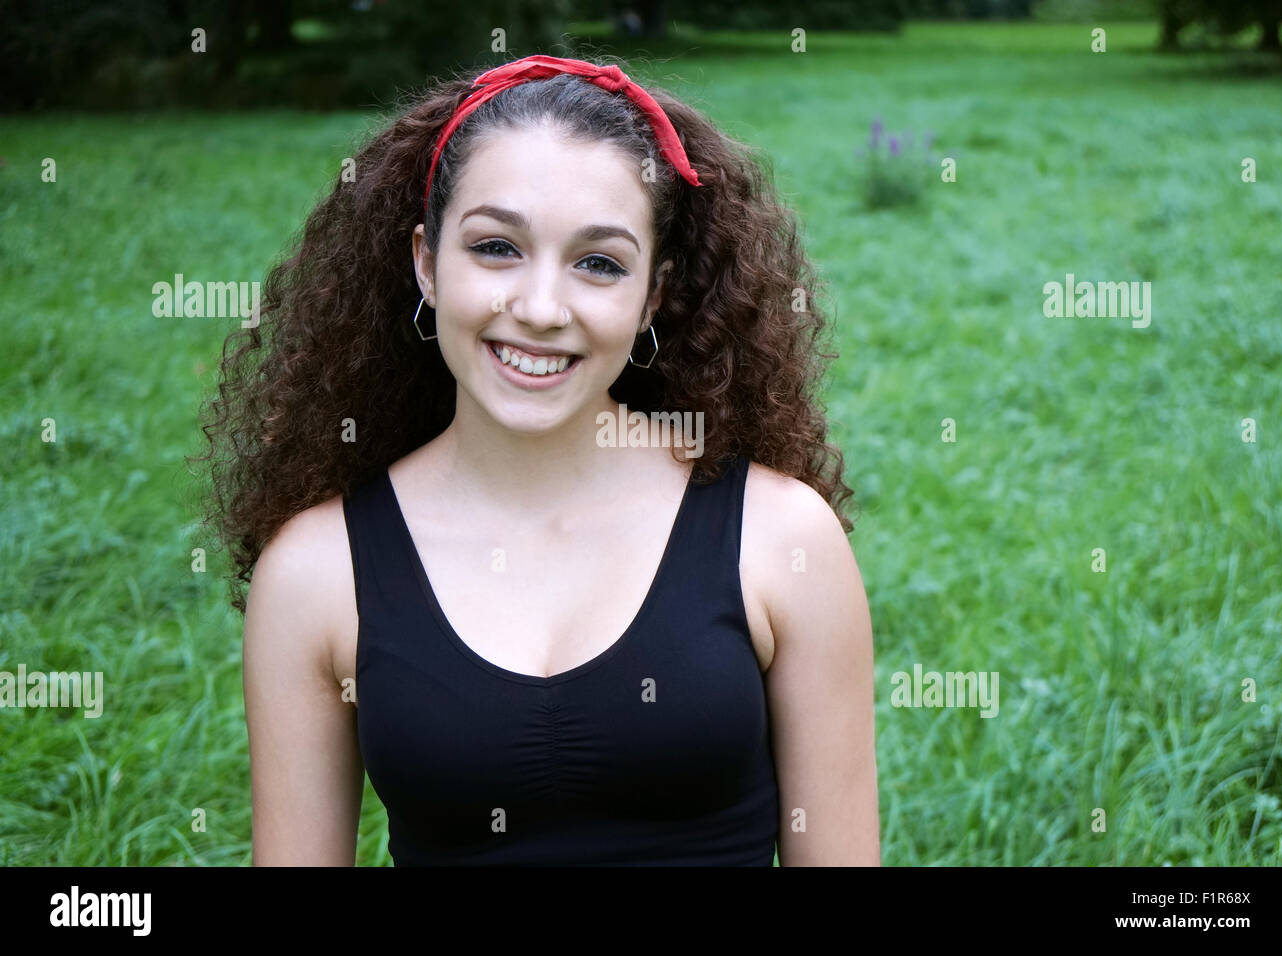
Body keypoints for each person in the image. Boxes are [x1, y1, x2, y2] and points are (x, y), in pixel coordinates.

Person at [198, 54, 878, 866]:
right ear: (426, 262)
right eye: (495, 247)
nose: (541, 309)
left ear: (652, 296)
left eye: (598, 263)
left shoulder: (780, 538)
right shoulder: (315, 570)